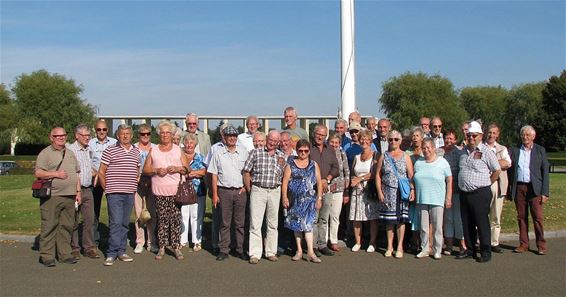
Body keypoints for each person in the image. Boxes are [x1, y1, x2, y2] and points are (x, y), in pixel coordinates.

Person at [143, 120, 189, 261]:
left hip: (175, 191)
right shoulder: (154, 149)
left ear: (172, 134)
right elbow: (145, 169)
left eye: (167, 132)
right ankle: (162, 247)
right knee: (162, 219)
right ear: (159, 134)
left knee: (175, 219)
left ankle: (176, 247)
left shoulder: (177, 149)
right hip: (159, 190)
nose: (165, 135)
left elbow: (188, 168)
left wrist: (177, 168)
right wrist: (156, 170)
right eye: (162, 132)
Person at [35, 127, 81, 267]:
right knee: (49, 225)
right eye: (58, 136)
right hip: (52, 196)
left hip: (70, 196)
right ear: (51, 137)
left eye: (63, 135)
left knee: (66, 226)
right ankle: (47, 255)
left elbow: (77, 173)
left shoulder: (70, 153)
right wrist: (56, 175)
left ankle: (64, 254)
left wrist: (78, 192)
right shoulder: (45, 154)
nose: (61, 138)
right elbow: (38, 173)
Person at [456, 121, 501, 263]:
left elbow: (497, 170)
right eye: (469, 135)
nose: (471, 138)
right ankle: (470, 249)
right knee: (467, 222)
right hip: (465, 193)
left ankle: (486, 251)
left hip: (480, 193)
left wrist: (487, 183)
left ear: (480, 136)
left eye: (474, 135)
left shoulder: (486, 151)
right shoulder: (463, 152)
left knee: (481, 223)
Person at [98, 124, 141, 266]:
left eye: (128, 133)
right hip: (114, 193)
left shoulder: (136, 151)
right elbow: (101, 172)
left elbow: (137, 169)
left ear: (131, 135)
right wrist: (107, 189)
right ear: (118, 136)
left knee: (124, 223)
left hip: (129, 192)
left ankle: (121, 251)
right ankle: (111, 253)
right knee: (115, 222)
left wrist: (135, 182)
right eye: (122, 133)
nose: (125, 136)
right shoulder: (110, 150)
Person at [243, 130, 286, 264]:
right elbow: (246, 171)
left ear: (278, 142)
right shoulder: (256, 152)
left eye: (276, 141)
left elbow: (284, 175)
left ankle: (270, 251)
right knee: (255, 223)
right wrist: (250, 189)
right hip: (258, 189)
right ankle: (255, 254)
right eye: (271, 140)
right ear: (267, 138)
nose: (273, 143)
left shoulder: (281, 156)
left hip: (274, 190)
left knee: (273, 223)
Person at [208, 125, 250, 261]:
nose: (231, 138)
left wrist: (245, 186)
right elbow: (213, 175)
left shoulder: (244, 152)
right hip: (224, 191)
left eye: (234, 136)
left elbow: (248, 172)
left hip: (240, 191)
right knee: (225, 223)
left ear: (236, 138)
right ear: (224, 138)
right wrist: (214, 194)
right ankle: (224, 250)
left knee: (240, 223)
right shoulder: (218, 153)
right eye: (229, 136)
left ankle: (240, 249)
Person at [507, 125, 550, 255]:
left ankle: (541, 245)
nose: (525, 137)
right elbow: (509, 169)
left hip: (534, 188)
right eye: (523, 135)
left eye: (527, 135)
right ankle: (523, 244)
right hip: (520, 187)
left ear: (533, 136)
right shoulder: (514, 151)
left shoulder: (540, 150)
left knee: (537, 217)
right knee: (521, 217)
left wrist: (545, 192)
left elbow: (545, 172)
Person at [282, 139, 323, 263]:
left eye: (306, 151)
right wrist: (284, 197)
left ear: (309, 151)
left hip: (310, 200)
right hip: (295, 200)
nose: (303, 153)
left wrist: (319, 198)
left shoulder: (313, 164)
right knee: (297, 226)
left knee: (308, 225)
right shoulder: (291, 164)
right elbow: (285, 181)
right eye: (301, 151)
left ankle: (310, 251)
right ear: (297, 151)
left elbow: (319, 182)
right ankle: (299, 250)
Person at [376, 130, 415, 258]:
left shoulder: (406, 156)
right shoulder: (384, 156)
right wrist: (379, 191)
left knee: (400, 220)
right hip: (387, 191)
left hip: (401, 192)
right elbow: (378, 175)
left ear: (400, 141)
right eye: (391, 139)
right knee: (389, 221)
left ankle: (399, 246)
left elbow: (410, 175)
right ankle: (389, 246)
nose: (393, 142)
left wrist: (412, 190)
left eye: (396, 139)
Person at [413, 138, 452, 260]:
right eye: (424, 148)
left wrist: (448, 197)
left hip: (437, 198)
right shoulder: (418, 163)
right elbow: (413, 179)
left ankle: (437, 249)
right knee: (423, 227)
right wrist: (412, 189)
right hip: (421, 198)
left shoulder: (442, 162)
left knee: (437, 226)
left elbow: (449, 180)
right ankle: (424, 248)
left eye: (429, 147)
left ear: (434, 148)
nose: (426, 150)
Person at [67, 124, 100, 260]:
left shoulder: (89, 149)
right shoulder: (70, 150)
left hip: (88, 189)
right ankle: (74, 248)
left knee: (89, 220)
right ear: (77, 135)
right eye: (85, 135)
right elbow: (72, 171)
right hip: (75, 190)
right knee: (74, 220)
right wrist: (77, 190)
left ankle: (89, 248)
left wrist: (95, 173)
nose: (87, 138)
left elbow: (91, 164)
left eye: (88, 135)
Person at [310, 125, 339, 257]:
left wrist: (327, 179)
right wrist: (318, 181)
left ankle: (322, 244)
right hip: (313, 189)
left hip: (327, 188)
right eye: (318, 134)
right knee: (314, 219)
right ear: (314, 134)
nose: (320, 137)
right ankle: (313, 245)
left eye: (323, 135)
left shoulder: (330, 150)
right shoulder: (309, 149)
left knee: (323, 218)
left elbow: (336, 168)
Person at [349, 130, 379, 253]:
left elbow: (375, 173)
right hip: (357, 191)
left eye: (366, 139)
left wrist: (360, 178)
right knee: (356, 217)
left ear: (370, 141)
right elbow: (352, 173)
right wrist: (353, 180)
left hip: (369, 189)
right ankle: (358, 242)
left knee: (372, 218)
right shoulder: (356, 157)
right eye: (362, 139)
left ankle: (372, 242)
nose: (364, 141)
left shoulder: (376, 155)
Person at [89, 120, 117, 245]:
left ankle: (113, 238)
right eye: (99, 129)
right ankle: (94, 238)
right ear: (95, 130)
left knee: (114, 211)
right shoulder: (89, 144)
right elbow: (86, 161)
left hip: (111, 179)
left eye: (104, 129)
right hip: (95, 180)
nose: (101, 132)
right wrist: (95, 172)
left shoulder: (114, 143)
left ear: (107, 130)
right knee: (94, 210)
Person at [484, 123, 511, 253]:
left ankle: (494, 242)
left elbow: (507, 163)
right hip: (484, 184)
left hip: (499, 185)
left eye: (494, 133)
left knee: (496, 215)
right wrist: (497, 164)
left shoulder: (502, 148)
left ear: (498, 134)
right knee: (482, 214)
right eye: (490, 132)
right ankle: (481, 241)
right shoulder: (481, 147)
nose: (491, 135)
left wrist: (492, 162)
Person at [441, 129, 467, 255]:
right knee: (447, 219)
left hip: (457, 190)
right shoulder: (439, 152)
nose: (448, 141)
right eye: (447, 138)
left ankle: (462, 244)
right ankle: (449, 245)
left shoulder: (459, 153)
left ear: (455, 140)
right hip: (442, 190)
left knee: (458, 218)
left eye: (451, 138)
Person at [133, 124, 158, 254]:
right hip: (137, 185)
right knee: (139, 214)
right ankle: (140, 241)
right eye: (143, 134)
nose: (145, 136)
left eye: (148, 133)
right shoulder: (134, 148)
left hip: (152, 184)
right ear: (139, 135)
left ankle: (152, 242)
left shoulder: (155, 148)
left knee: (152, 214)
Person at [180, 133, 207, 252]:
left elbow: (204, 171)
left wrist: (190, 174)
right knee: (183, 215)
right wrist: (195, 173)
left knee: (197, 216)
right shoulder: (179, 157)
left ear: (195, 144)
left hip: (197, 190)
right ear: (183, 143)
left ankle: (197, 241)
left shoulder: (200, 157)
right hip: (183, 190)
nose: (189, 145)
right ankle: (182, 240)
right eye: (187, 142)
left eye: (191, 142)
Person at [327, 133, 350, 252]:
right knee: (324, 215)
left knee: (335, 215)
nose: (334, 145)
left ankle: (333, 240)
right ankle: (323, 239)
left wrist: (346, 189)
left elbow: (347, 171)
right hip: (327, 187)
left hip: (339, 188)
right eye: (332, 142)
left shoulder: (342, 153)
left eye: (336, 143)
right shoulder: (325, 153)